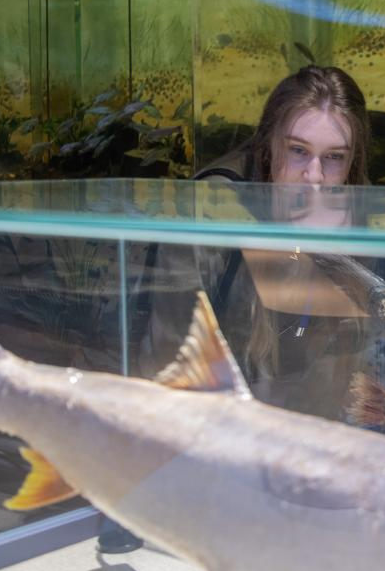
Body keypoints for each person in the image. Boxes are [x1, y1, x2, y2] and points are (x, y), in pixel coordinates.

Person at [138, 66, 372, 414]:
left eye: (334, 157)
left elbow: (337, 364)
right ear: (269, 146)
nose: (315, 176)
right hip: (204, 414)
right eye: (298, 151)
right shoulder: (209, 214)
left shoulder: (354, 204)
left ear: (353, 161)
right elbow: (168, 362)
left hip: (290, 419)